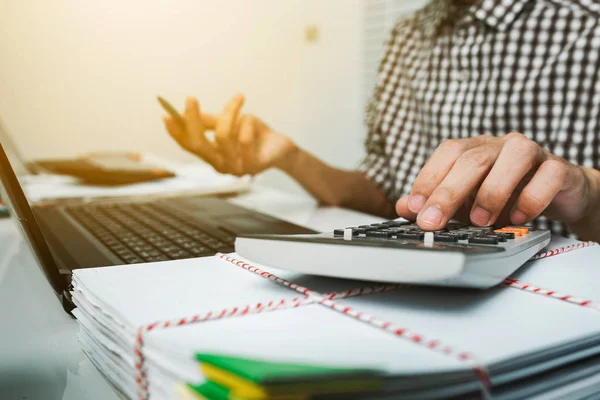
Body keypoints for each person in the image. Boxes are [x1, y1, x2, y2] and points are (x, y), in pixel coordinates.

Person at [163, 0, 600, 242]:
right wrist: (289, 158)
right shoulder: (407, 34)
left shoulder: (589, 28)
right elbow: (381, 192)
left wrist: (585, 193)